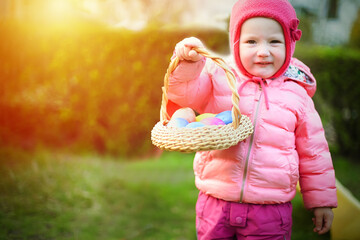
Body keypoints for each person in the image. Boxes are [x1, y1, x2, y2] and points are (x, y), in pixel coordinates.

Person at [166, 0, 338, 239]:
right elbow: (184, 95)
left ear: (290, 44)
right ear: (236, 43)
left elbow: (314, 151)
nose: (263, 51)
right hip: (216, 201)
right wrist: (187, 64)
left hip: (269, 209)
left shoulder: (296, 93)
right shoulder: (220, 74)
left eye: (274, 41)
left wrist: (322, 201)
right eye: (251, 41)